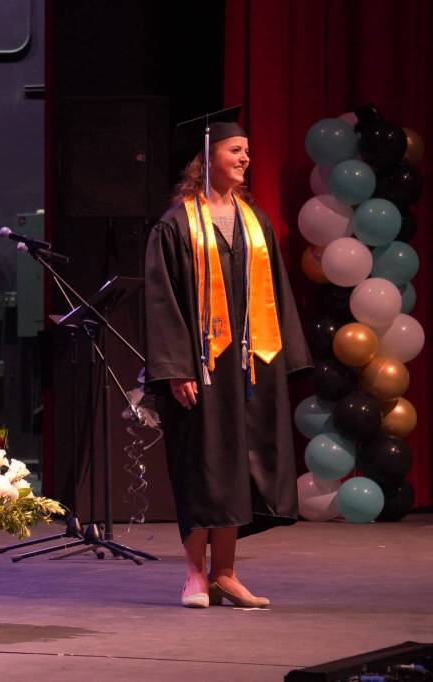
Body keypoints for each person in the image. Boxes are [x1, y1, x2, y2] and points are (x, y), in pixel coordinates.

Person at [143, 106, 310, 609]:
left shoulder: (255, 223)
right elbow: (162, 302)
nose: (245, 158)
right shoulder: (176, 226)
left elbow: (276, 294)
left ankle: (227, 573)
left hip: (248, 366)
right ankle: (195, 575)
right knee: (202, 465)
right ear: (208, 156)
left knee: (238, 464)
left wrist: (279, 359)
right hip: (201, 367)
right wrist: (176, 368)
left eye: (247, 151)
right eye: (236, 150)